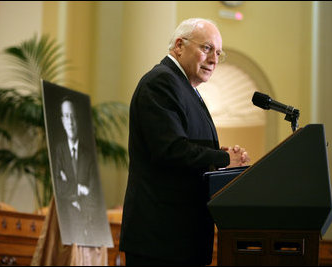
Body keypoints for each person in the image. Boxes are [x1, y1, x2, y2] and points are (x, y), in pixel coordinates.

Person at [119, 18, 250, 266]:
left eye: (218, 53)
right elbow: (170, 149)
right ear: (179, 45)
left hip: (180, 239)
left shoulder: (186, 88)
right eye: (207, 48)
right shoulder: (161, 82)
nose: (213, 60)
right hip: (161, 240)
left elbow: (183, 142)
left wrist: (218, 153)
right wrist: (223, 159)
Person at [53, 97, 98, 245]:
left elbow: (94, 193)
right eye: (66, 116)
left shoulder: (89, 155)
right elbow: (58, 186)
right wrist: (79, 188)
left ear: (77, 120)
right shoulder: (59, 151)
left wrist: (69, 187)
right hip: (63, 224)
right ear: (62, 121)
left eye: (73, 116)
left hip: (86, 225)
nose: (70, 121)